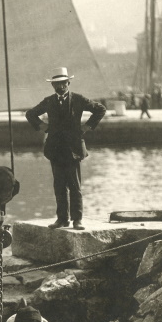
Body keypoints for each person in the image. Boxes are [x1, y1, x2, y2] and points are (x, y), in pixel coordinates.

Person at [25, 66, 106, 231]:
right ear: (52, 85)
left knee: (75, 186)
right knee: (59, 186)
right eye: (57, 84)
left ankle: (77, 220)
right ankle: (62, 219)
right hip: (55, 150)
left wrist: (87, 127)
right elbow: (30, 114)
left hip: (73, 150)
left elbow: (100, 109)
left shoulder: (78, 99)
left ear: (69, 83)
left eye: (63, 83)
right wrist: (44, 127)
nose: (60, 86)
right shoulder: (49, 101)